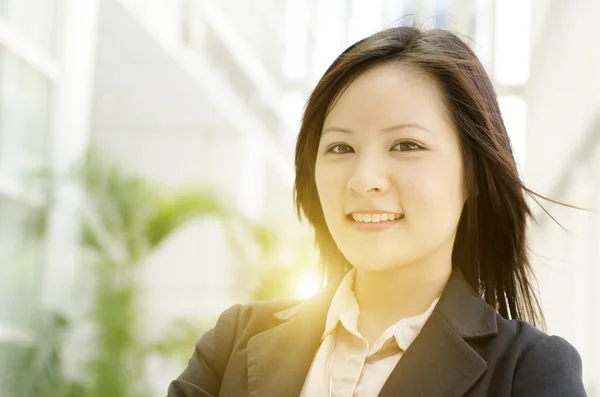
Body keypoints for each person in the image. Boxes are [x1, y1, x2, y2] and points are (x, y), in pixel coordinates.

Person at [167, 26, 587, 397]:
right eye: (340, 148)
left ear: (473, 177)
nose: (364, 178)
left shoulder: (529, 371)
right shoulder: (235, 342)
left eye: (406, 145)